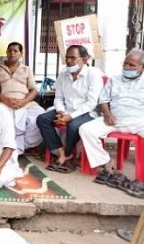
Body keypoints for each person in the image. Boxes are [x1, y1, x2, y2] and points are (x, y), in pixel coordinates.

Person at [79, 49, 144, 195]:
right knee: (86, 129)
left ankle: (141, 179)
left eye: (131, 65)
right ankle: (106, 162)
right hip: (114, 120)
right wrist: (107, 114)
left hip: (139, 121)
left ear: (142, 67)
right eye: (125, 64)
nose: (127, 67)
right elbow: (103, 100)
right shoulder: (114, 79)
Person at [36, 45, 103, 172]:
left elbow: (91, 103)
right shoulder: (64, 73)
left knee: (73, 125)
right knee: (42, 119)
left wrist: (70, 117)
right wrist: (61, 111)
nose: (68, 61)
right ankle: (62, 153)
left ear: (84, 59)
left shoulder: (93, 74)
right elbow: (58, 97)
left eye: (73, 58)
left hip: (87, 112)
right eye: (67, 57)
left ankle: (67, 154)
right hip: (66, 109)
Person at [0, 42, 44, 153]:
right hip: (3, 102)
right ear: (6, 53)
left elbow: (33, 90)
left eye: (15, 51)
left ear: (21, 53)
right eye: (10, 51)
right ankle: (7, 147)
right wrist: (5, 100)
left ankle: (23, 145)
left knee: (40, 116)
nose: (12, 53)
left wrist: (24, 102)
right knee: (3, 118)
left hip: (25, 102)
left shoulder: (26, 69)